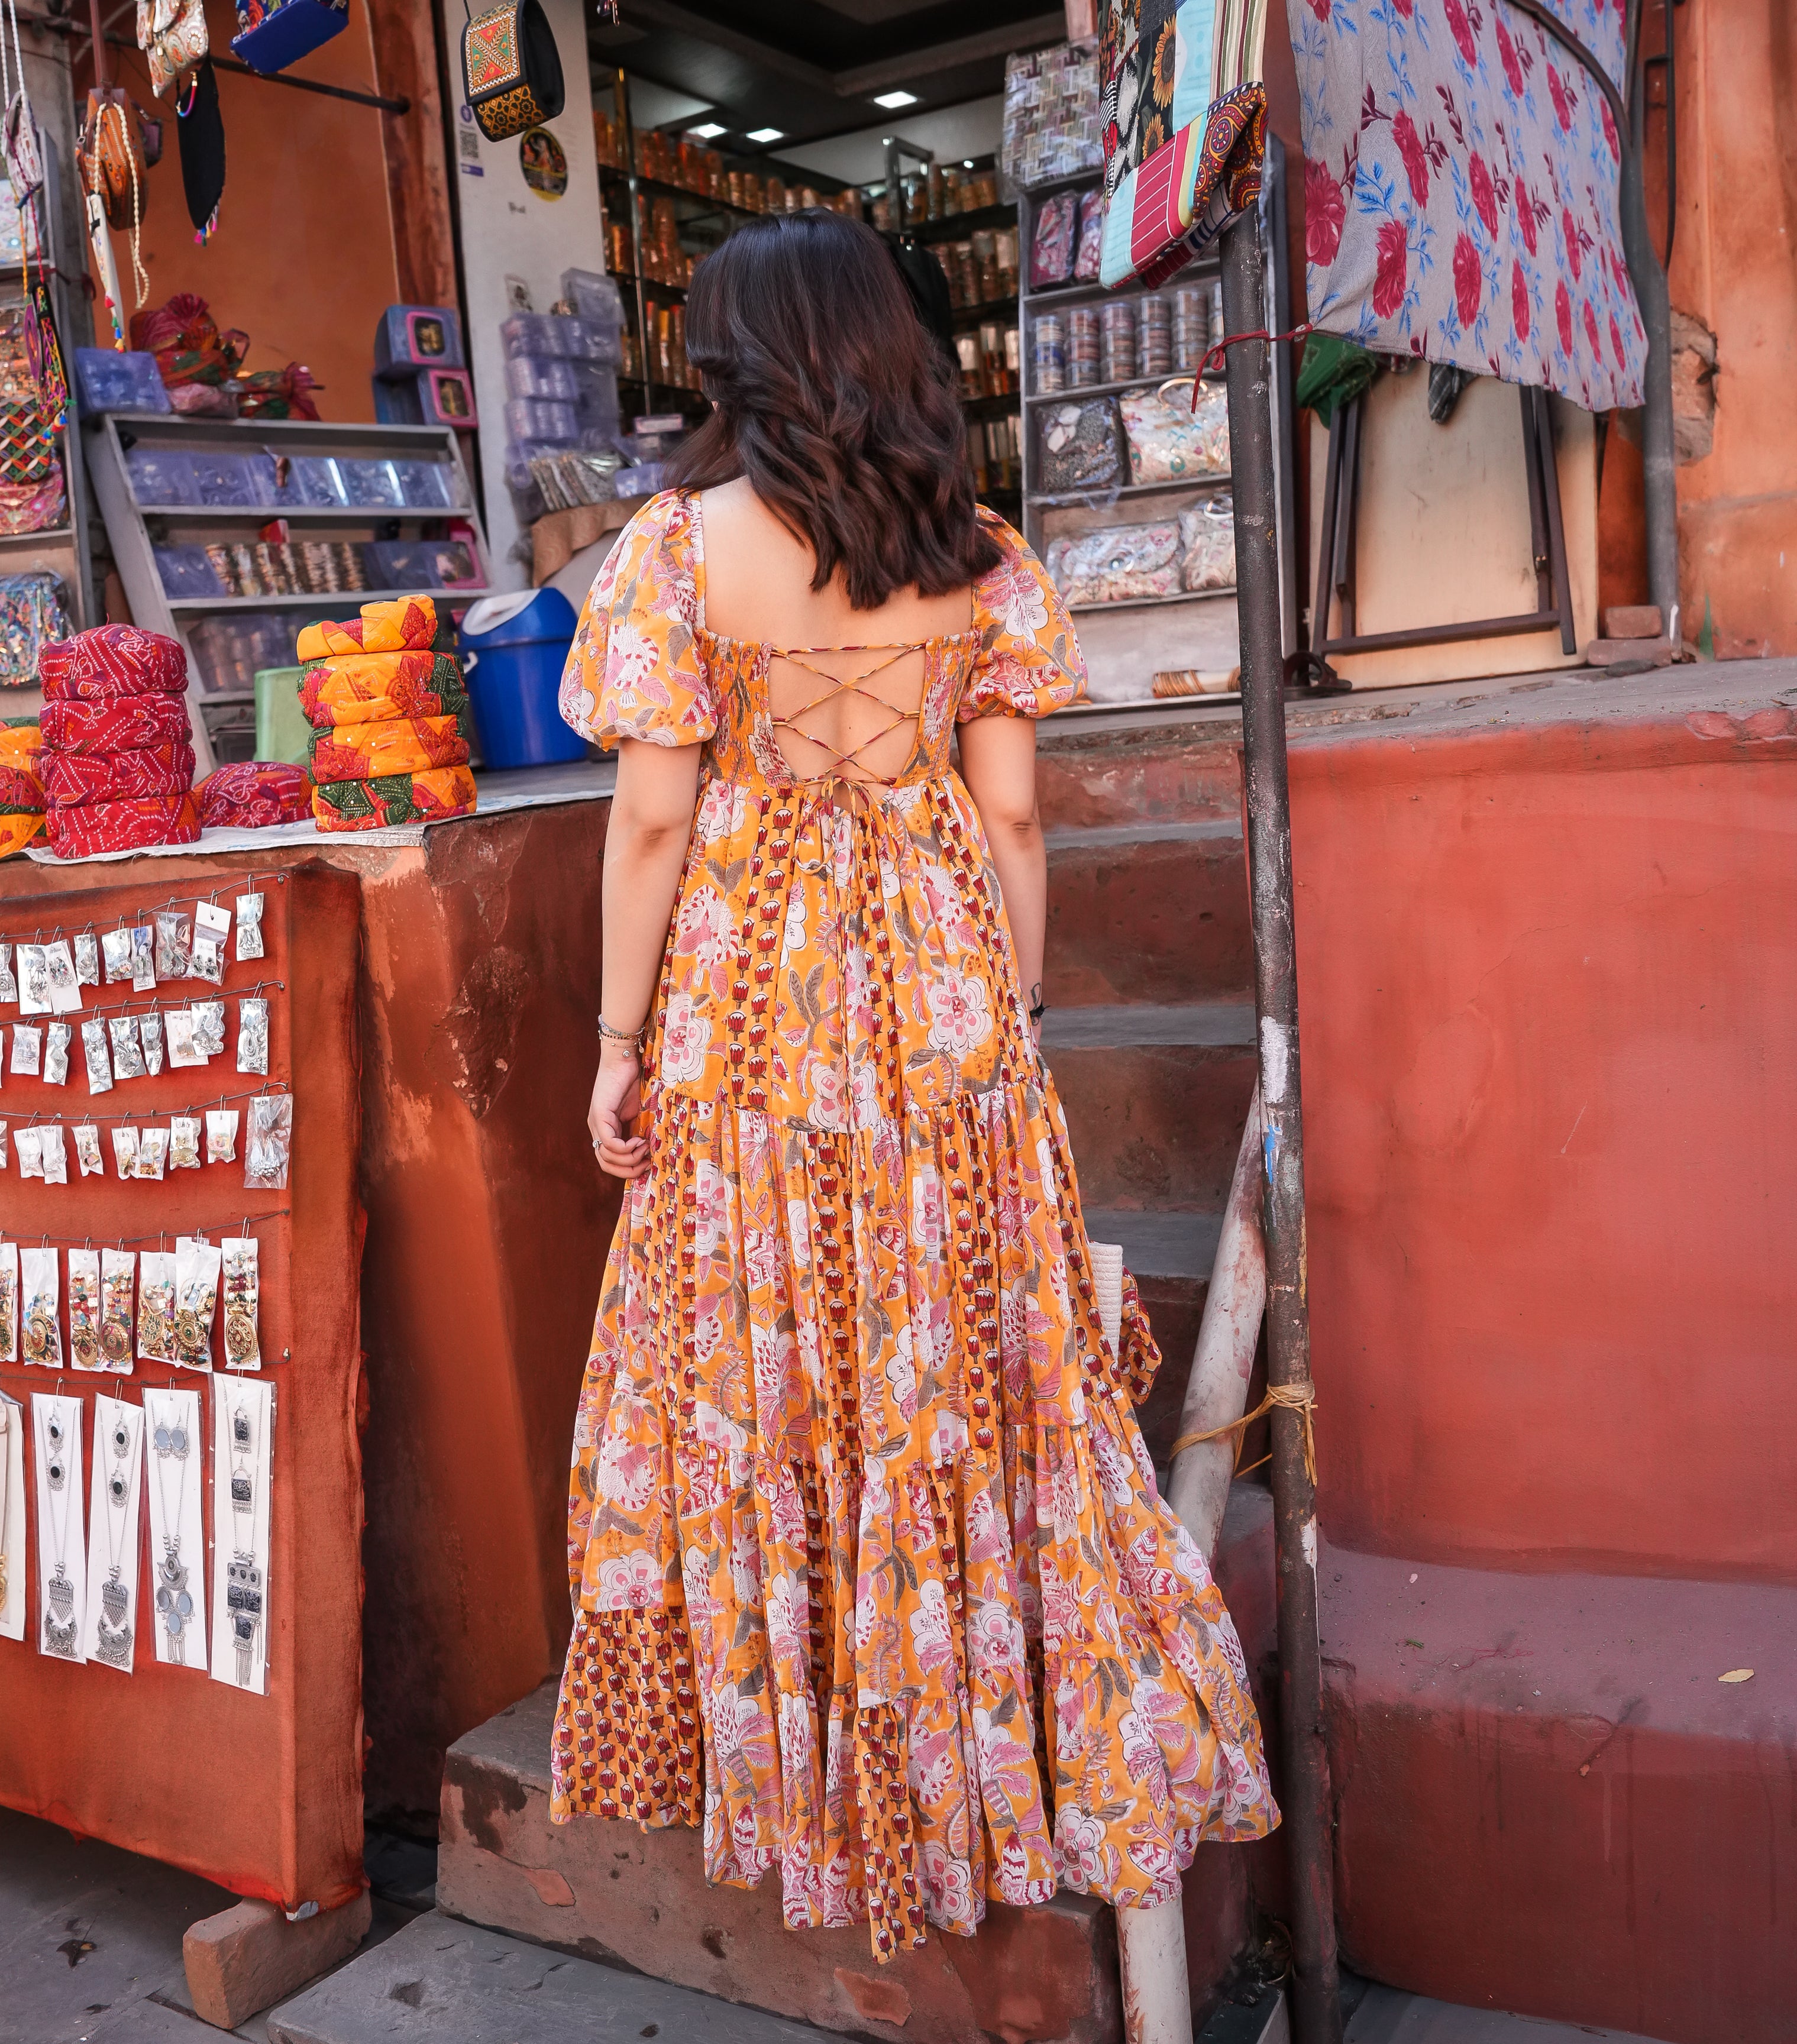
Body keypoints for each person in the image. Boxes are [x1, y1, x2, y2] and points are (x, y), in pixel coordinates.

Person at [552, 209, 1276, 1969]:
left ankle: (806, 1742)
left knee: (767, 1332)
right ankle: (975, 1725)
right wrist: (1005, 1006)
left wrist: (618, 1044)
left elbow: (650, 820)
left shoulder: (673, 553)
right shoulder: (981, 549)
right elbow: (1011, 808)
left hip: (752, 995)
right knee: (951, 1329)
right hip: (941, 975)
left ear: (745, 361)